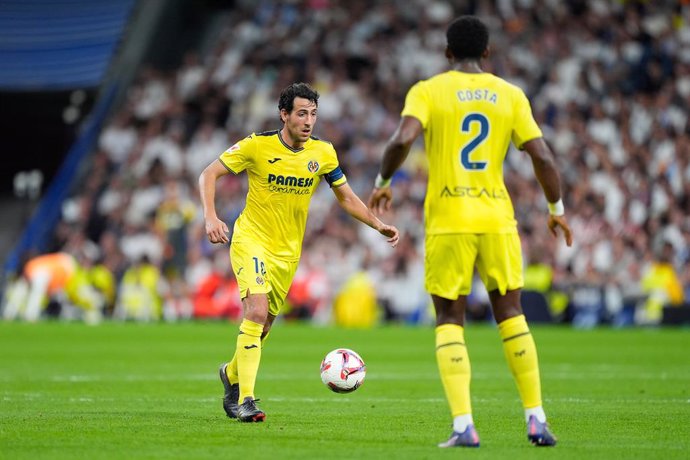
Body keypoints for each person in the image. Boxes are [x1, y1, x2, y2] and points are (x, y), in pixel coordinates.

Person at [368, 16, 573, 448]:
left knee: (449, 318)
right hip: (497, 218)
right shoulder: (510, 94)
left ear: (446, 53)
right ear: (487, 53)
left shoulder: (428, 90)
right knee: (511, 313)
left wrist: (383, 182)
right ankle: (536, 419)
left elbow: (402, 139)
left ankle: (464, 426)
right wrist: (556, 208)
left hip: (449, 219)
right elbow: (543, 155)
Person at [199, 82, 399, 423]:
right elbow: (209, 173)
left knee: (261, 330)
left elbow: (346, 197)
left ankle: (232, 375)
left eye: (314, 114)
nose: (309, 121)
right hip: (251, 240)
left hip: (287, 252)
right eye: (302, 114)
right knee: (257, 311)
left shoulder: (323, 153)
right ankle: (246, 400)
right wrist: (211, 217)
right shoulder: (257, 145)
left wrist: (377, 224)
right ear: (284, 115)